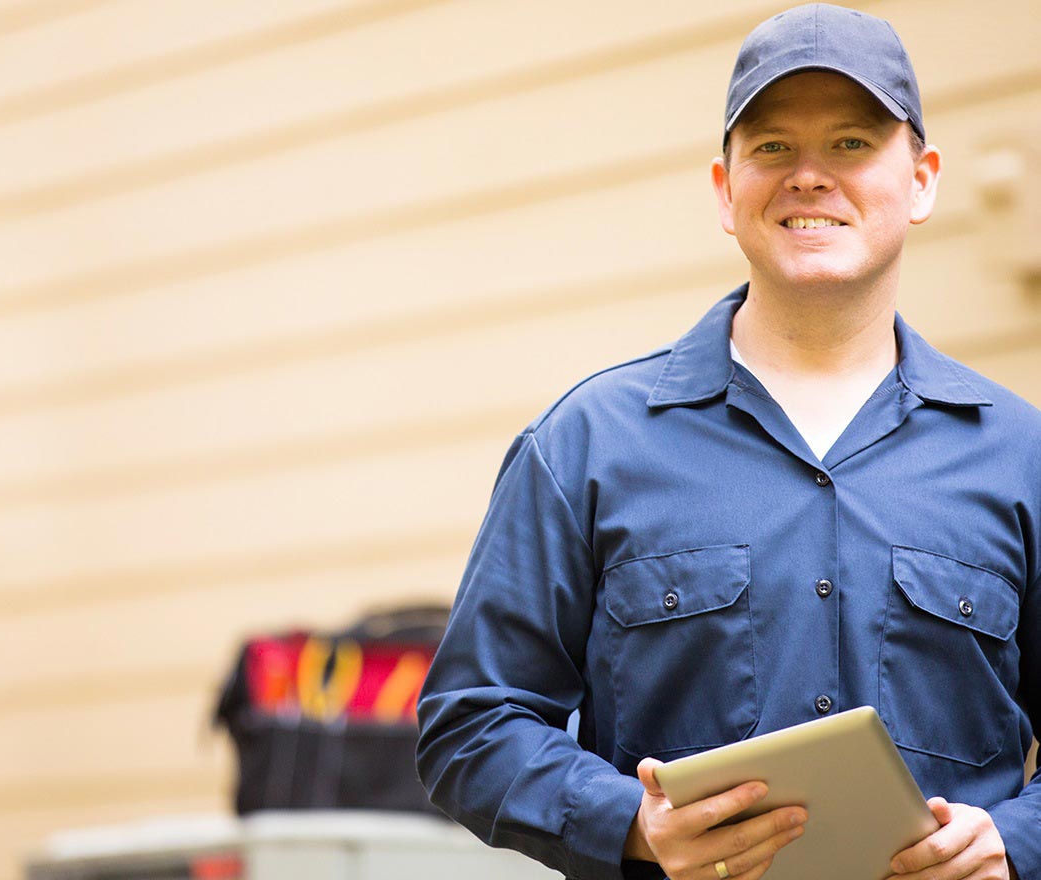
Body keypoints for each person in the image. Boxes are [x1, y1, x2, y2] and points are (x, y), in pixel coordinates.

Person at [414, 5, 1040, 880]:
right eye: (773, 147)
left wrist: (1014, 842)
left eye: (853, 143)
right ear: (724, 190)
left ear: (923, 181)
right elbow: (471, 724)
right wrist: (632, 823)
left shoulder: (1021, 458)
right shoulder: (586, 445)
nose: (809, 177)